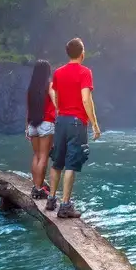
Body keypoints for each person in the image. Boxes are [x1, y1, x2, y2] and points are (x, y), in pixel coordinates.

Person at [46, 38, 101, 218]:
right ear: (82, 54)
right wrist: (94, 123)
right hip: (77, 122)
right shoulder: (85, 72)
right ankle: (65, 206)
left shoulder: (58, 72)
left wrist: (59, 109)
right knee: (71, 163)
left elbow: (55, 93)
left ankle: (51, 199)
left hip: (60, 120)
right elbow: (86, 99)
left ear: (68, 53)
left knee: (57, 161)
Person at [25, 60, 57, 199]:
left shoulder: (30, 89)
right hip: (46, 123)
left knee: (36, 156)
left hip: (32, 124)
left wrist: (27, 128)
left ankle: (35, 186)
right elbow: (57, 104)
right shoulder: (49, 86)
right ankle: (39, 189)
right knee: (44, 157)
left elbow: (28, 110)